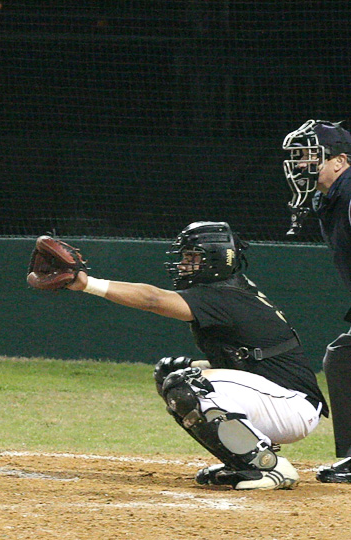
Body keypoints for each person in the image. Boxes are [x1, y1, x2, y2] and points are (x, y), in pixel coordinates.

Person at [30, 222, 327, 490]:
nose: (184, 265)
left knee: (186, 383)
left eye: (192, 257)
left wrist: (87, 284)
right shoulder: (229, 291)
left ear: (215, 259)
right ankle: (244, 460)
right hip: (279, 400)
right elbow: (247, 361)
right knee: (172, 373)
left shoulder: (224, 296)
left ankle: (269, 467)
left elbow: (152, 300)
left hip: (290, 406)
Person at [282, 119, 351, 483]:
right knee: (343, 358)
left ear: (340, 161)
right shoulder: (332, 197)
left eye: (310, 156)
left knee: (344, 358)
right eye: (297, 157)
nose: (300, 165)